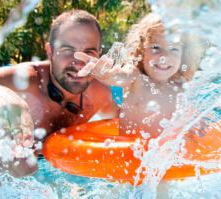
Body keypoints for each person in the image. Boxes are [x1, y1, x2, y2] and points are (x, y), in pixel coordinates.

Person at [0, 10, 119, 177]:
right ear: (50, 51)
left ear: (99, 54)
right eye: (68, 50)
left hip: (55, 173)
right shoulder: (23, 81)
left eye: (89, 52)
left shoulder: (99, 92)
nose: (79, 64)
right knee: (23, 164)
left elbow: (127, 122)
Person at [75, 12, 207, 138]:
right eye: (156, 48)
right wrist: (105, 73)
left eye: (174, 49)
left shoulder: (182, 90)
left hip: (163, 157)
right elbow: (120, 76)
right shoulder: (136, 79)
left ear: (183, 55)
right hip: (130, 156)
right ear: (142, 50)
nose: (164, 56)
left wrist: (198, 125)